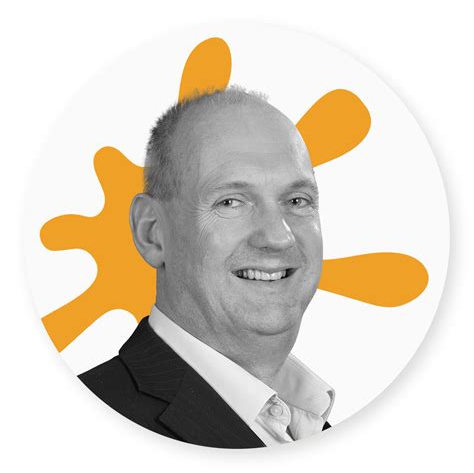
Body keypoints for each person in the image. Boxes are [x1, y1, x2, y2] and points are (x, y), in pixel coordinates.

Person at [79, 87, 335, 448]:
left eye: (297, 200)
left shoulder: (312, 422)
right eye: (230, 202)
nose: (278, 237)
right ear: (152, 232)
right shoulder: (84, 426)